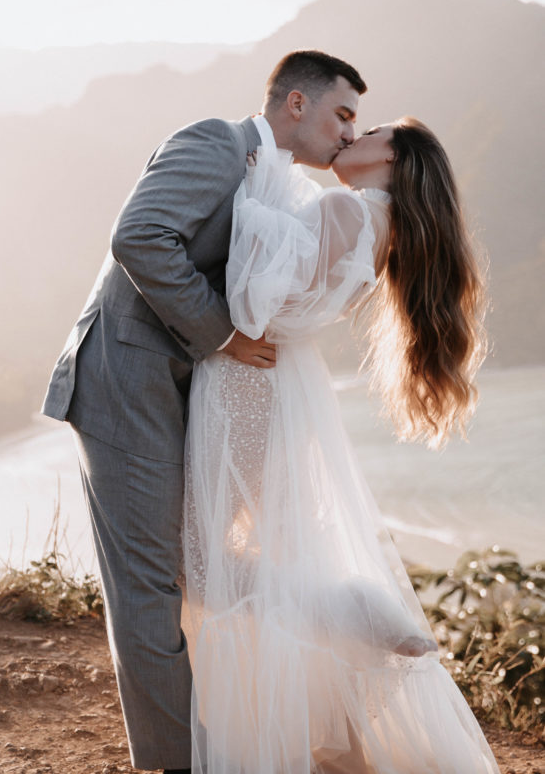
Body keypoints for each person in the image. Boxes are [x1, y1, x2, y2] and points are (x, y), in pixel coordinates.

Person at [41, 50, 367, 773]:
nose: (349, 133)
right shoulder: (215, 141)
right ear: (294, 105)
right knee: (150, 583)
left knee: (204, 564)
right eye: (342, 114)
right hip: (125, 379)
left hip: (181, 388)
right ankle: (179, 762)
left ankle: (300, 693)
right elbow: (138, 237)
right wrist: (224, 333)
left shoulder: (284, 188)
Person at [182, 118, 498, 773]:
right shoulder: (379, 228)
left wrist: (256, 180)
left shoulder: (344, 211)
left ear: (396, 155)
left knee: (199, 563)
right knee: (284, 548)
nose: (354, 133)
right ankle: (344, 749)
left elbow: (252, 294)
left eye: (372, 128)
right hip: (282, 391)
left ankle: (348, 608)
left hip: (247, 384)